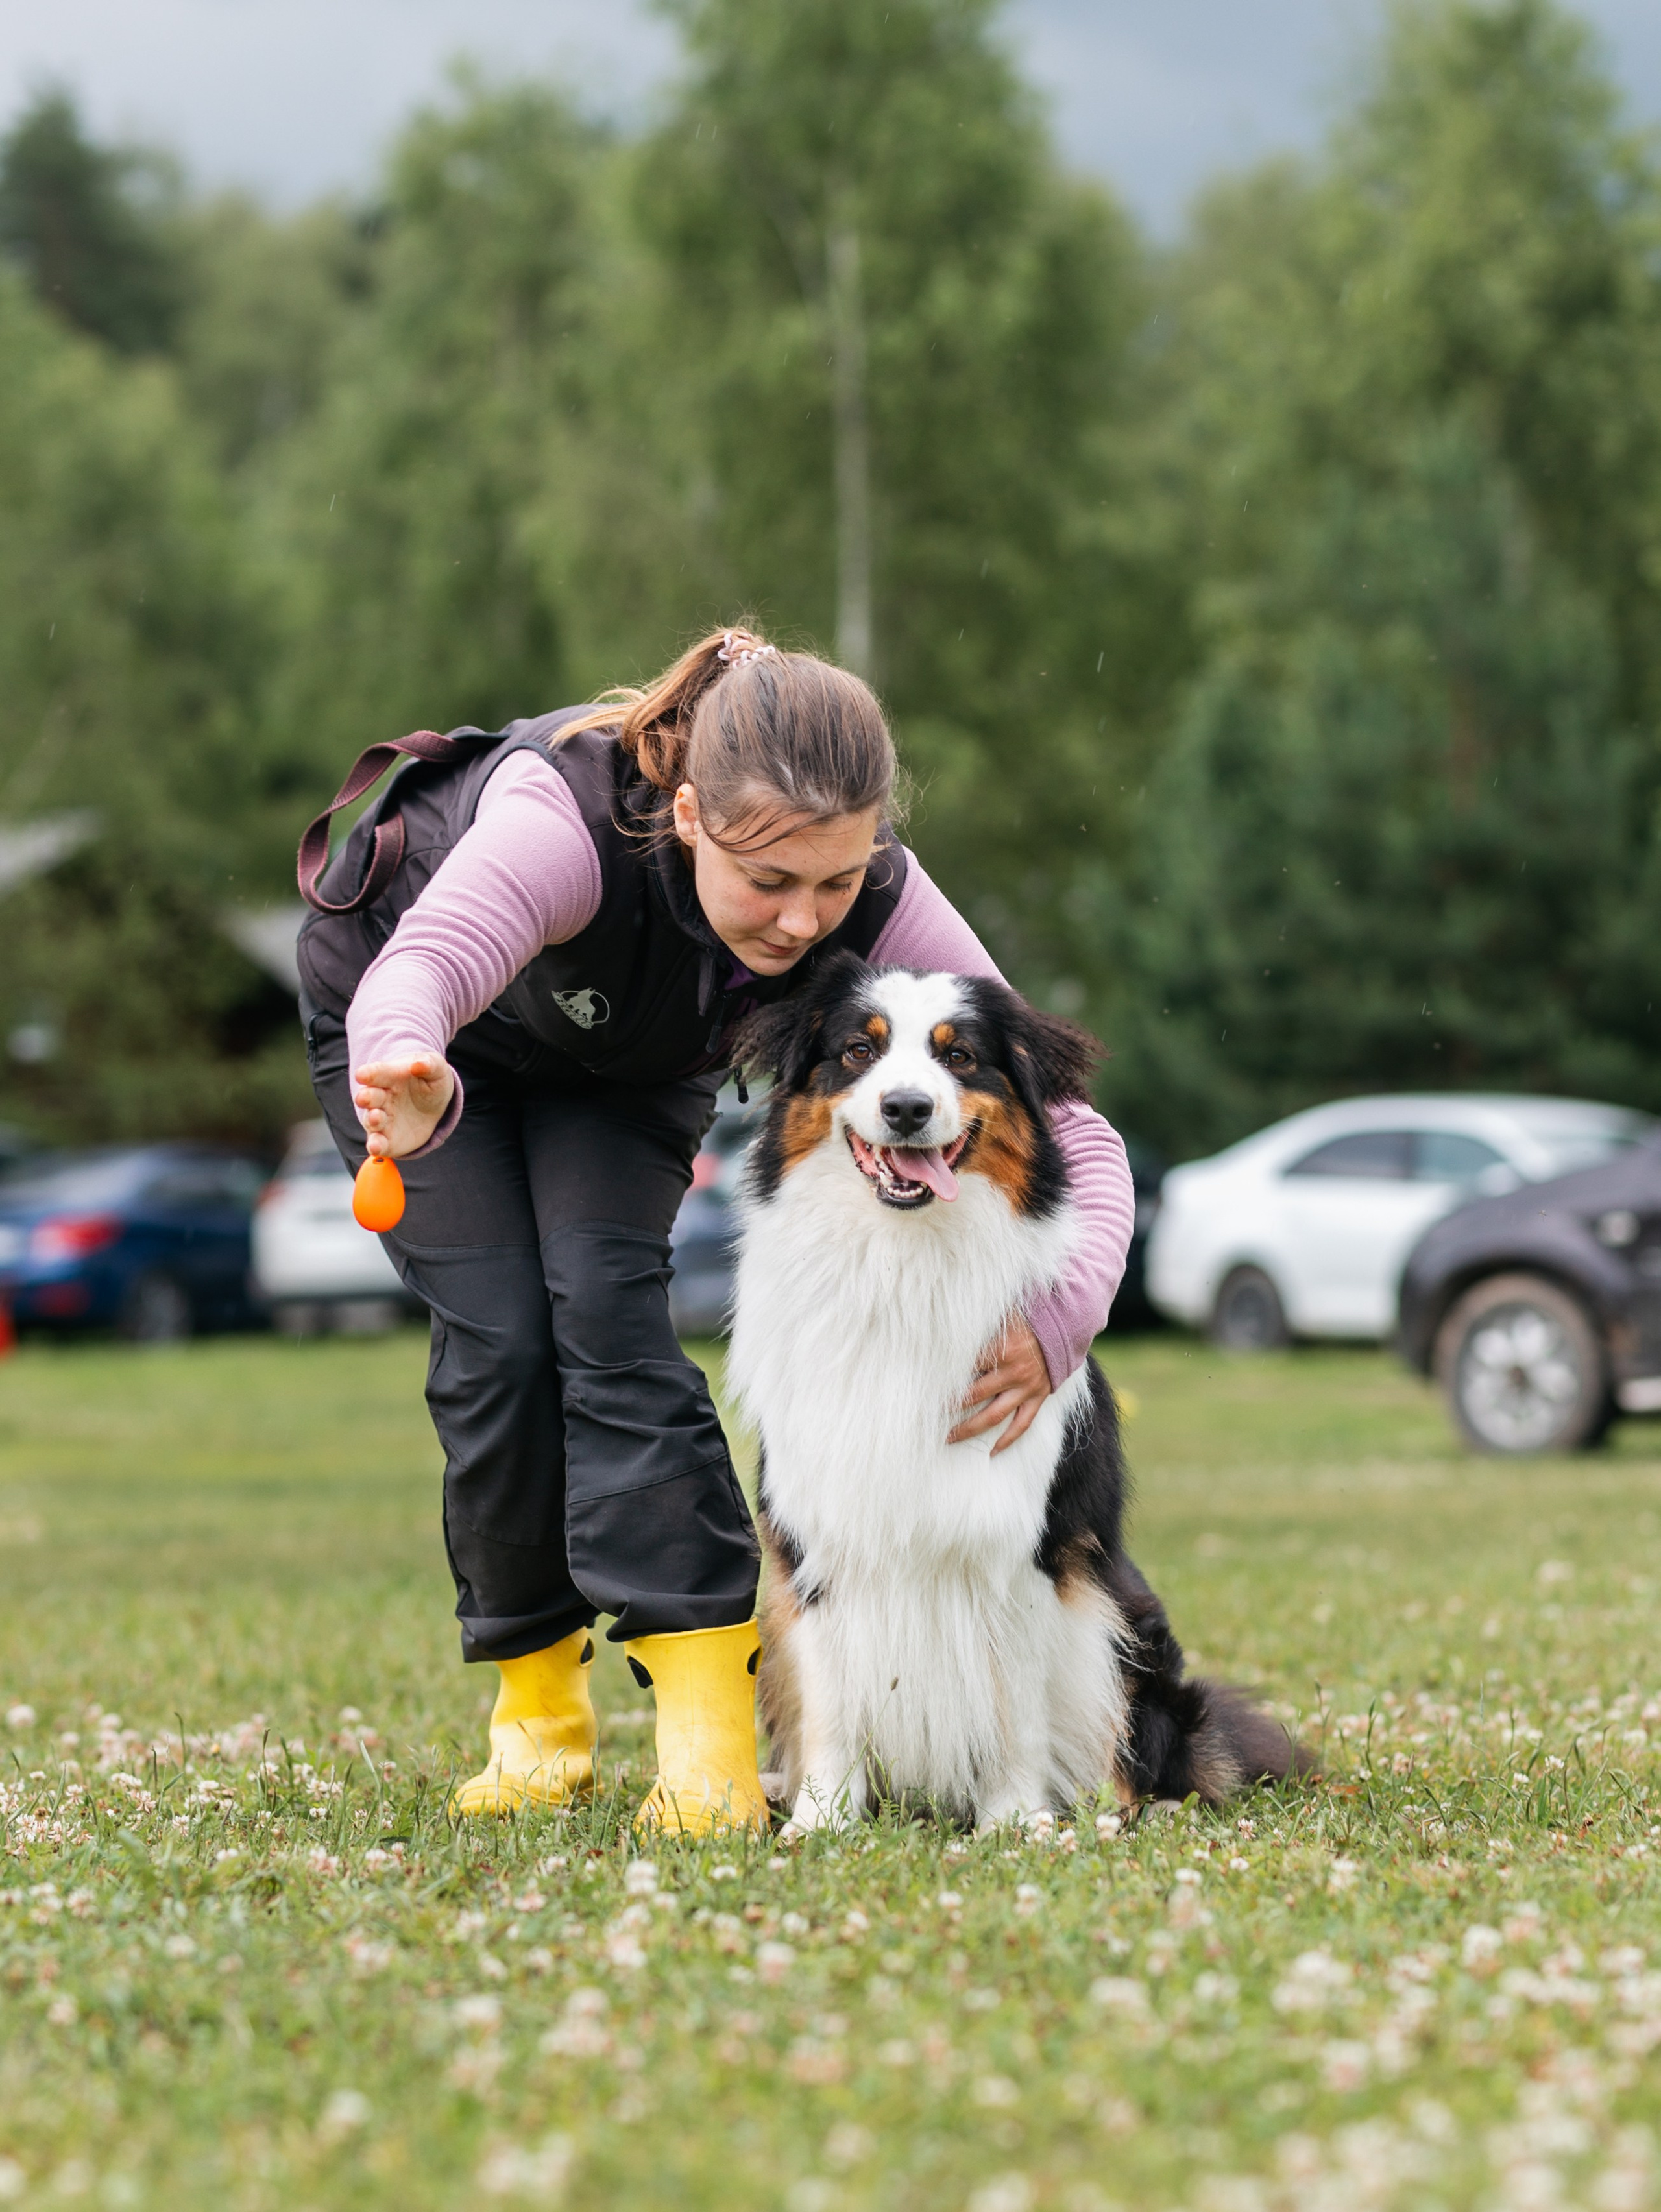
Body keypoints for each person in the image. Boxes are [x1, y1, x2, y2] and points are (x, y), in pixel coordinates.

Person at [294, 627, 1135, 1833]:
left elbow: (1073, 1130)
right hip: (429, 1044)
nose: (803, 924)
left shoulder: (879, 888)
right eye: (770, 881)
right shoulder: (561, 822)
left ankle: (705, 1735)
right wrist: (403, 1065)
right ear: (689, 815)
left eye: (835, 885)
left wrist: (1060, 1321)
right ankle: (539, 1720)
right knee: (502, 1344)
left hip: (623, 1054)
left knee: (610, 1314)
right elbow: (423, 964)